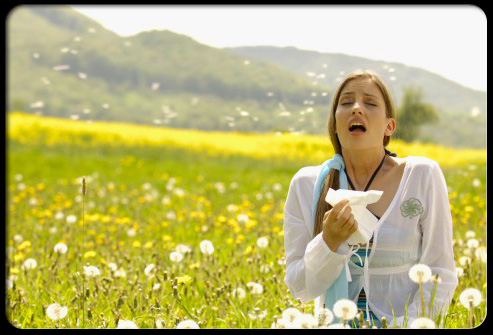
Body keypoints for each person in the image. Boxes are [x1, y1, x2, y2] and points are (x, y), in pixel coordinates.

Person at [283, 70, 458, 328]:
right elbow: (301, 288)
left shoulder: (422, 176)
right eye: (346, 103)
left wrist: (407, 325)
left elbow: (440, 273)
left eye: (370, 103)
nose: (356, 109)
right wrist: (328, 242)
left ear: (389, 126)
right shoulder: (306, 185)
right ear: (334, 122)